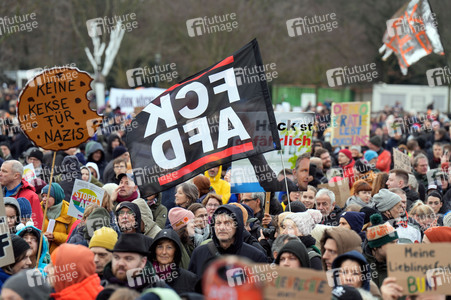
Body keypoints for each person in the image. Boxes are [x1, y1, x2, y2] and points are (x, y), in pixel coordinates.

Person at [188, 204, 267, 276]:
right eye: (218, 223)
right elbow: (191, 287)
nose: (222, 227)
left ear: (237, 226)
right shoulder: (199, 253)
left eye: (227, 223)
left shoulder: (255, 257)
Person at [101, 233, 166, 292]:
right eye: (117, 257)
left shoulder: (159, 288)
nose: (121, 263)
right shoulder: (101, 287)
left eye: (128, 259)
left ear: (143, 262)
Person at [149, 229, 199, 294]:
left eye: (169, 247)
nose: (164, 252)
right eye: (160, 247)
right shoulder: (144, 278)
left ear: (176, 251)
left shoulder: (189, 279)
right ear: (154, 250)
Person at [0, 160, 43, 228]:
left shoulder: (30, 196)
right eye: (0, 170)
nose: (0, 174)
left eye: (4, 171)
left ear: (16, 176)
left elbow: (37, 227)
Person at [363, 213, 399, 288]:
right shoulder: (361, 267)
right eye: (392, 243)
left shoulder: (401, 265)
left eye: (396, 242)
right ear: (375, 246)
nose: (396, 247)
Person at [41, 183, 77, 253]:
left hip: (60, 256)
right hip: (41, 256)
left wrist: (55, 236)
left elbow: (72, 239)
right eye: (43, 196)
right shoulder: (38, 210)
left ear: (57, 197)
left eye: (48, 196)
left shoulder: (70, 213)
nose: (44, 199)